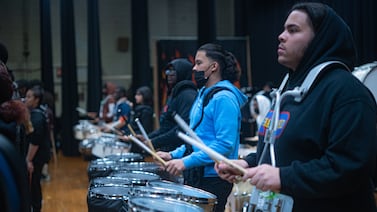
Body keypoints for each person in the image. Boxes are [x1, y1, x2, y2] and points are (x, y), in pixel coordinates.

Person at [215, 2, 377, 211]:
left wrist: (283, 177)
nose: (281, 36)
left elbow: (350, 167)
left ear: (320, 38)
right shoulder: (289, 91)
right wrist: (247, 164)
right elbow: (285, 150)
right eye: (284, 29)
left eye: (293, 30)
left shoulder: (347, 92)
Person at [157, 43, 247, 212]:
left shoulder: (224, 98)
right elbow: (196, 139)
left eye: (199, 63)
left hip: (213, 177)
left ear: (214, 67)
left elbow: (224, 146)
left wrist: (184, 162)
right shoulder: (202, 94)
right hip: (197, 174)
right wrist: (172, 154)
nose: (194, 68)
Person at [142, 58, 197, 152]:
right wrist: (146, 138)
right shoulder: (174, 94)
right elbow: (166, 127)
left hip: (182, 153)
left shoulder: (187, 95)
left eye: (174, 70)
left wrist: (154, 142)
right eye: (168, 70)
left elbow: (183, 129)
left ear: (182, 71)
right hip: (170, 151)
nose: (169, 74)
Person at [25, 86, 51, 212]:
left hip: (37, 156)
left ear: (37, 100)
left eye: (29, 97)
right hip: (38, 155)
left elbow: (35, 141)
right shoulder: (38, 112)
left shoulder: (37, 117)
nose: (26, 99)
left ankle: (36, 208)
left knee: (34, 184)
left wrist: (29, 159)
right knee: (35, 184)